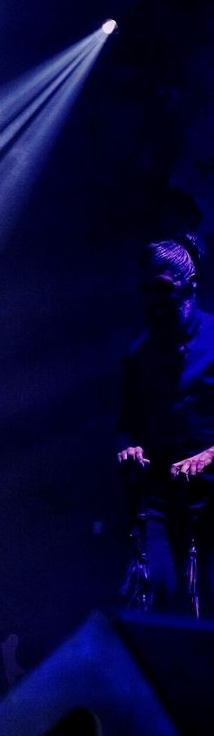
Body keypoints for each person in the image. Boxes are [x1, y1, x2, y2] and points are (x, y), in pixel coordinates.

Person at [117, 234, 214, 615]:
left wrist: (207, 456)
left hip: (213, 497)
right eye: (146, 290)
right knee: (160, 596)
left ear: (190, 284)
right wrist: (128, 449)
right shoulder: (138, 354)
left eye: (162, 288)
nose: (152, 300)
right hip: (162, 500)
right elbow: (125, 424)